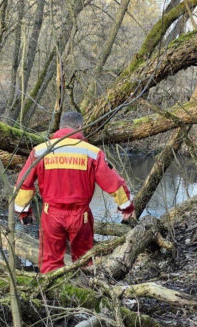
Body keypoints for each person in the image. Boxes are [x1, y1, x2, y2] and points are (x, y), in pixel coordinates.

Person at [14, 110, 135, 273]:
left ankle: (52, 296)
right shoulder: (92, 152)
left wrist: (23, 212)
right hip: (80, 216)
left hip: (51, 214)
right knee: (84, 262)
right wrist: (126, 208)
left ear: (60, 127)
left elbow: (23, 183)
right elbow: (114, 183)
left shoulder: (40, 151)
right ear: (79, 127)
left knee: (50, 263)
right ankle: (85, 292)